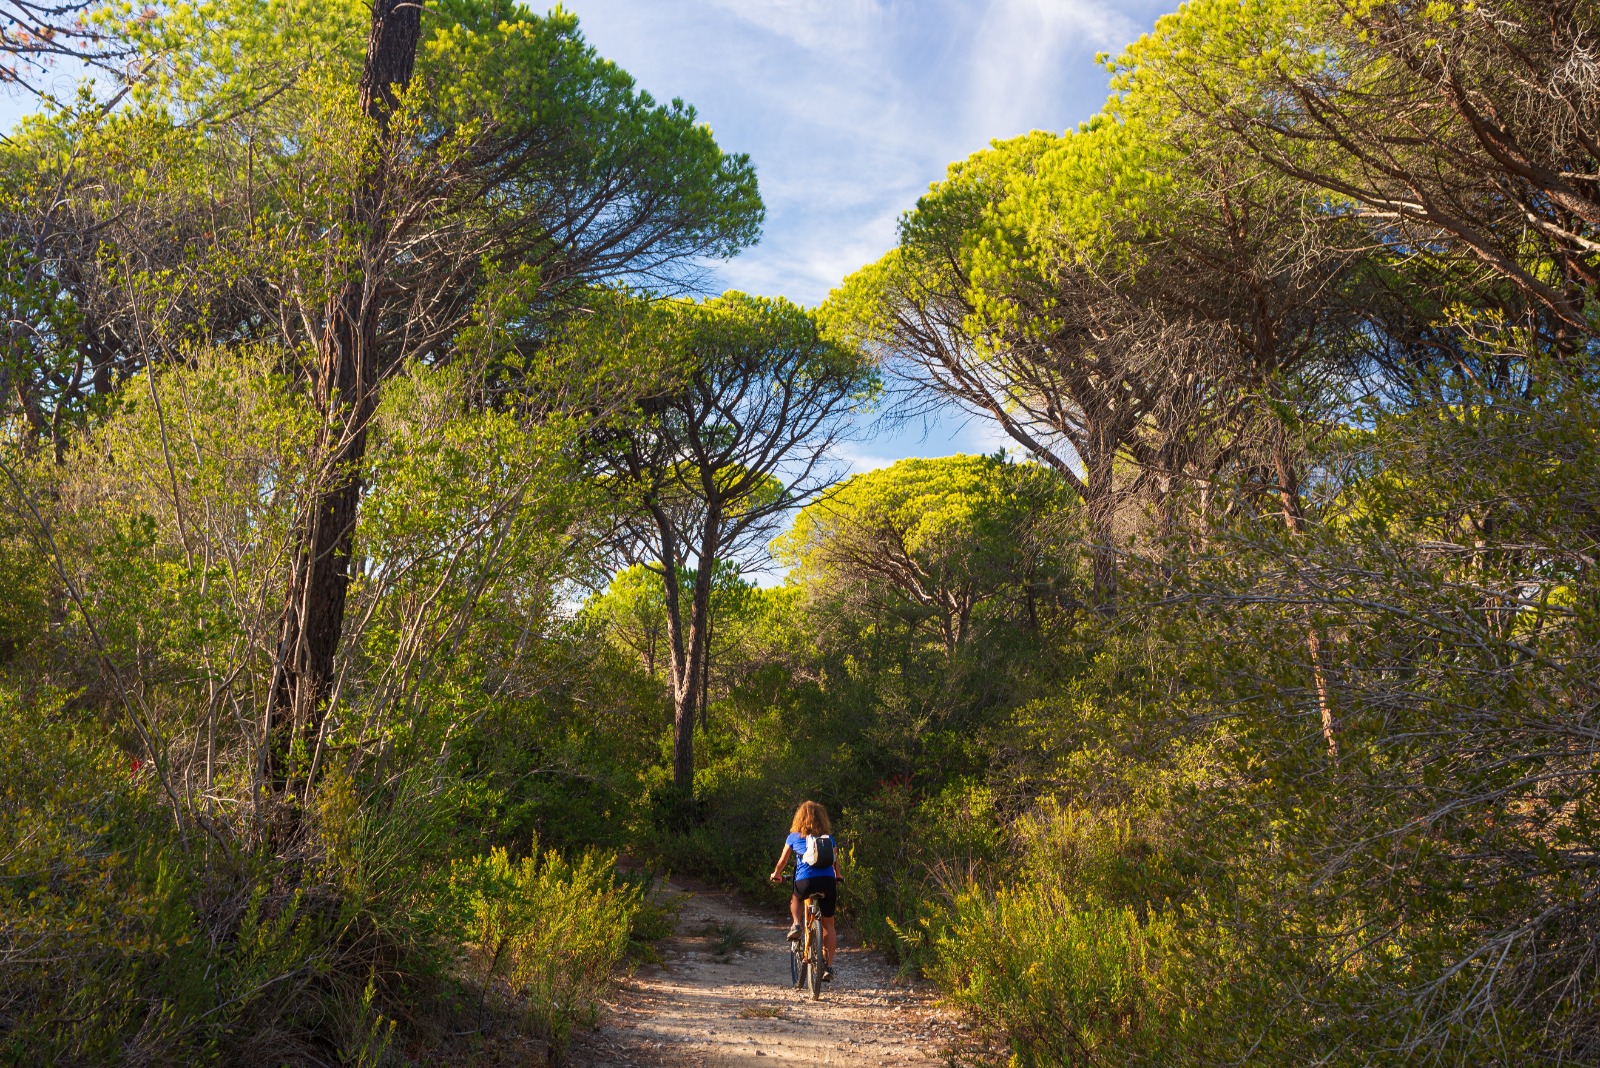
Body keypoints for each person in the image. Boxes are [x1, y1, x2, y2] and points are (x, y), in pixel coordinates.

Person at [768, 799, 841, 981]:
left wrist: (776, 873)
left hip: (805, 882)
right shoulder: (828, 838)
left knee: (796, 898)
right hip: (827, 882)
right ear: (822, 819)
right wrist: (838, 876)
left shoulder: (794, 837)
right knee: (829, 925)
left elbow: (783, 861)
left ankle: (797, 925)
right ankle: (828, 966)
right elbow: (835, 862)